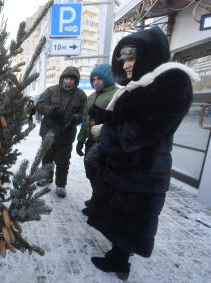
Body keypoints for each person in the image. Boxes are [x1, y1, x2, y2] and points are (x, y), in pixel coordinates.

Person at [86, 27, 198, 280]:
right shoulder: (141, 84)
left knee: (130, 221)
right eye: (124, 59)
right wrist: (108, 117)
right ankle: (117, 257)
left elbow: (147, 128)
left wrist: (106, 129)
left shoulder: (173, 80)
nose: (126, 65)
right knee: (121, 218)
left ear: (150, 55)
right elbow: (133, 116)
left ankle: (119, 263)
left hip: (143, 172)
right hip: (128, 168)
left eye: (132, 58)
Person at [36, 67, 87, 197]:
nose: (69, 81)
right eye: (67, 78)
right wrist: (51, 111)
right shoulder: (51, 90)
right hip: (49, 131)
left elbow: (84, 114)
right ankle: (47, 177)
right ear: (62, 78)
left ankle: (61, 184)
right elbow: (40, 104)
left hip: (66, 133)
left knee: (63, 161)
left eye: (72, 79)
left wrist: (75, 118)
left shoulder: (81, 95)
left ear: (76, 80)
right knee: (46, 157)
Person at [75, 64, 117, 216]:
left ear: (108, 78)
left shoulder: (116, 95)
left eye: (99, 78)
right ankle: (96, 198)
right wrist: (80, 140)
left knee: (101, 175)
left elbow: (118, 120)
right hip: (91, 141)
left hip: (105, 143)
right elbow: (85, 121)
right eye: (93, 79)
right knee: (91, 172)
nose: (96, 82)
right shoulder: (91, 97)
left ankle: (100, 205)